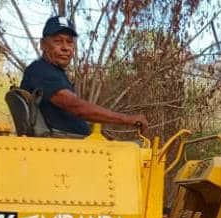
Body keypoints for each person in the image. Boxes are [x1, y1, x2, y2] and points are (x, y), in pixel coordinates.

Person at [20, 16, 148, 136]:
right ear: (43, 45)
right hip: (65, 149)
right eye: (58, 41)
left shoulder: (54, 72)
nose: (65, 48)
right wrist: (127, 119)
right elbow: (76, 107)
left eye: (69, 42)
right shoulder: (40, 71)